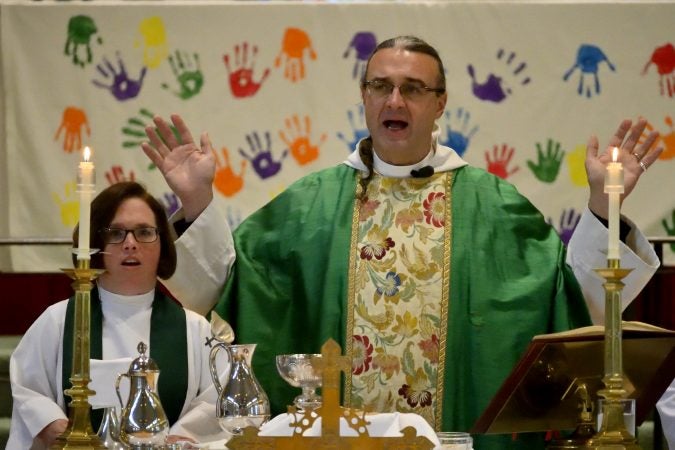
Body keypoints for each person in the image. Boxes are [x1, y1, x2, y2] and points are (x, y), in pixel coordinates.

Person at [142, 36, 662, 449]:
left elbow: (573, 301)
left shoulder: (494, 206)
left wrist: (603, 206)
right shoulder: (308, 207)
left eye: (413, 88)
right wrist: (195, 205)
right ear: (364, 98)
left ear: (440, 105)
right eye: (381, 86)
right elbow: (222, 290)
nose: (395, 100)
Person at [8, 181, 228, 449]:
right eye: (116, 233)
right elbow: (29, 393)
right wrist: (64, 431)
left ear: (163, 245)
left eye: (144, 232)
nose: (130, 244)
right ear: (96, 245)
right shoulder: (59, 321)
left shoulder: (194, 329)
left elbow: (215, 401)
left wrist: (177, 439)